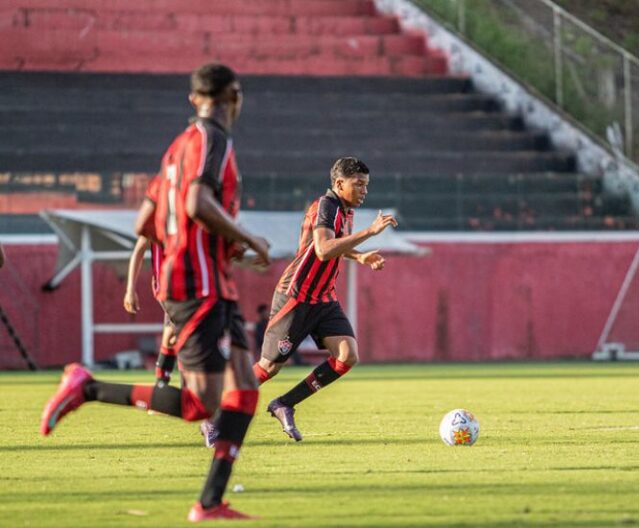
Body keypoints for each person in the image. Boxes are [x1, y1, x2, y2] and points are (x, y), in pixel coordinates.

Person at [40, 62, 271, 522]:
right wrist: (245, 238)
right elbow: (196, 203)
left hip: (208, 281)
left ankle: (210, 503)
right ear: (235, 97)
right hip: (198, 284)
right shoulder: (214, 139)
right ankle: (89, 388)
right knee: (198, 404)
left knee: (244, 389)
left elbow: (144, 221)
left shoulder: (176, 149)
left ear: (193, 97)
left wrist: (209, 243)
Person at [254, 157, 397, 441]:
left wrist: (359, 256)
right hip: (297, 295)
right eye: (358, 184)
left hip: (323, 298)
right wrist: (369, 232)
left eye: (366, 185)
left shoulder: (344, 209)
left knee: (347, 356)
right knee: (268, 367)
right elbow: (322, 249)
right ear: (339, 183)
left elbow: (332, 245)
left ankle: (284, 403)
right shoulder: (326, 205)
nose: (364, 191)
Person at [123, 175, 177, 384]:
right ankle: (191, 389)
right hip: (166, 286)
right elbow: (138, 251)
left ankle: (161, 383)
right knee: (184, 333)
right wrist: (130, 289)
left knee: (171, 335)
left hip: (188, 284)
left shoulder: (188, 216)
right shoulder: (156, 221)